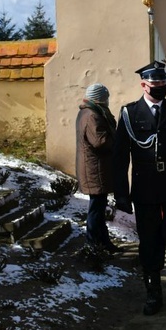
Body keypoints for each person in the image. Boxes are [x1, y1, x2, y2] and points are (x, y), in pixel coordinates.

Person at [113, 61, 166, 316]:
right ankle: (153, 290)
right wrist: (121, 194)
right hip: (145, 186)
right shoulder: (129, 113)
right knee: (149, 240)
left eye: (163, 84)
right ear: (143, 85)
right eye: (155, 84)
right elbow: (120, 158)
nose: (160, 88)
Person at [75, 83, 122, 253]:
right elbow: (100, 142)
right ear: (100, 99)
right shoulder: (92, 115)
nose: (107, 101)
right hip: (94, 169)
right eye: (106, 98)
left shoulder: (90, 112)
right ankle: (94, 244)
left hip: (97, 168)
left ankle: (103, 243)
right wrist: (117, 140)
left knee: (99, 208)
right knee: (96, 210)